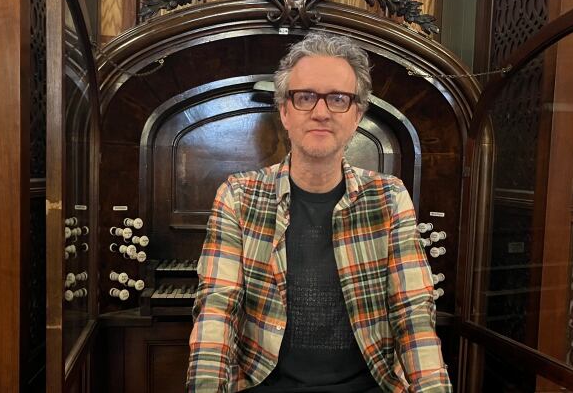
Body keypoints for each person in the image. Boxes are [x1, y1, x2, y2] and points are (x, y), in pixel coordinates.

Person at [187, 32, 451, 392]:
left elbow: (413, 313)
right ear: (284, 111)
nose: (321, 112)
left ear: (357, 114)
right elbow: (218, 309)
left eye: (338, 99)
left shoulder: (389, 197)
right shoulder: (238, 196)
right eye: (305, 97)